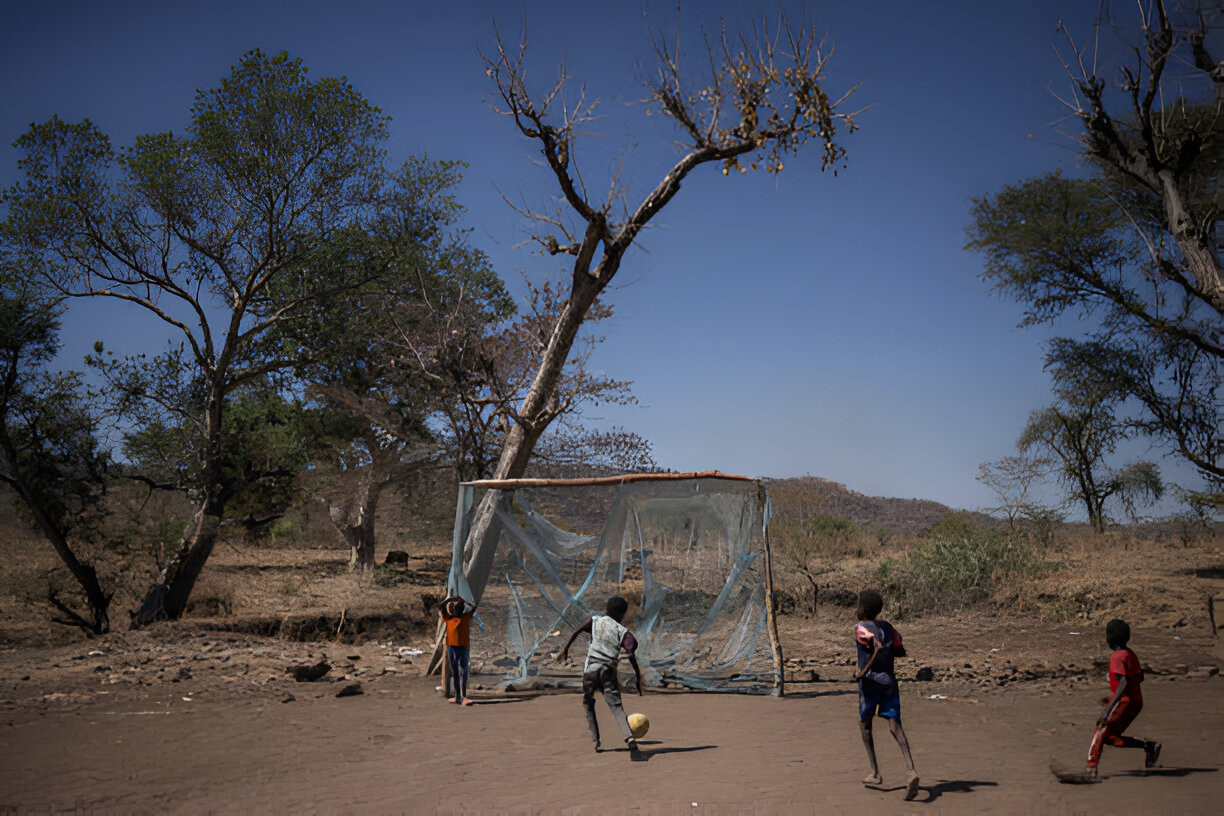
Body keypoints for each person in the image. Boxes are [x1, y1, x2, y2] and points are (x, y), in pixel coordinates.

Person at [558, 596, 645, 758]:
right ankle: (630, 738)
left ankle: (595, 740)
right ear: (623, 614)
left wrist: (565, 649)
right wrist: (638, 678)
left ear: (606, 609)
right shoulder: (623, 632)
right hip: (608, 670)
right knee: (616, 707)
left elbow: (577, 630)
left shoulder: (595, 621)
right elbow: (631, 654)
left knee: (588, 702)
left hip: (591, 669)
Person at [854, 589, 919, 801]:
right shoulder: (888, 627)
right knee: (895, 726)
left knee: (865, 724)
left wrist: (863, 671)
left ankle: (874, 772)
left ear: (863, 609)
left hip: (870, 683)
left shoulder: (861, 628)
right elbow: (900, 648)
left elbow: (877, 647)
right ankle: (911, 770)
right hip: (889, 682)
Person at [1085, 618, 1161, 778]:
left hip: (1124, 701)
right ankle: (1148, 745)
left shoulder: (1117, 657)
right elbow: (1139, 678)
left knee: (1100, 730)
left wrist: (1109, 709)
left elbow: (1124, 681)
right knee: (1109, 737)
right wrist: (1112, 697)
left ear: (1110, 638)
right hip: (1135, 701)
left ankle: (1091, 768)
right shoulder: (1130, 654)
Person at [440, 595, 477, 705]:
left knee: (459, 672)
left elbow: (441, 606)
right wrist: (462, 600)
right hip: (459, 646)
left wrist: (450, 599)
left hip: (455, 647)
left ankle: (462, 697)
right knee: (460, 672)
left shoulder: (448, 618)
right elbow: (473, 606)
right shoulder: (464, 617)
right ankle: (460, 697)